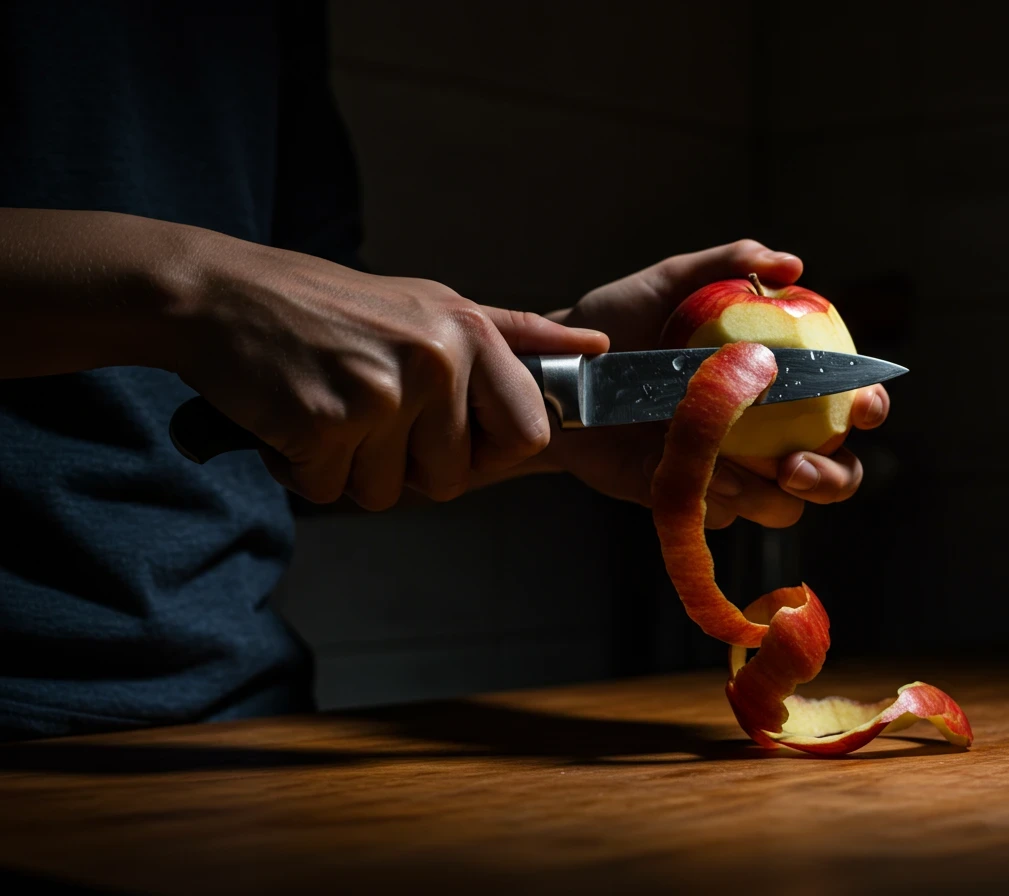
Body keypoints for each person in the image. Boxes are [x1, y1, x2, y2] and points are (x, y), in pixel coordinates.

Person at [0, 2, 889, 741]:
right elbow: (231, 313)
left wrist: (549, 394)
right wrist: (192, 290)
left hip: (240, 723)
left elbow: (312, 443)